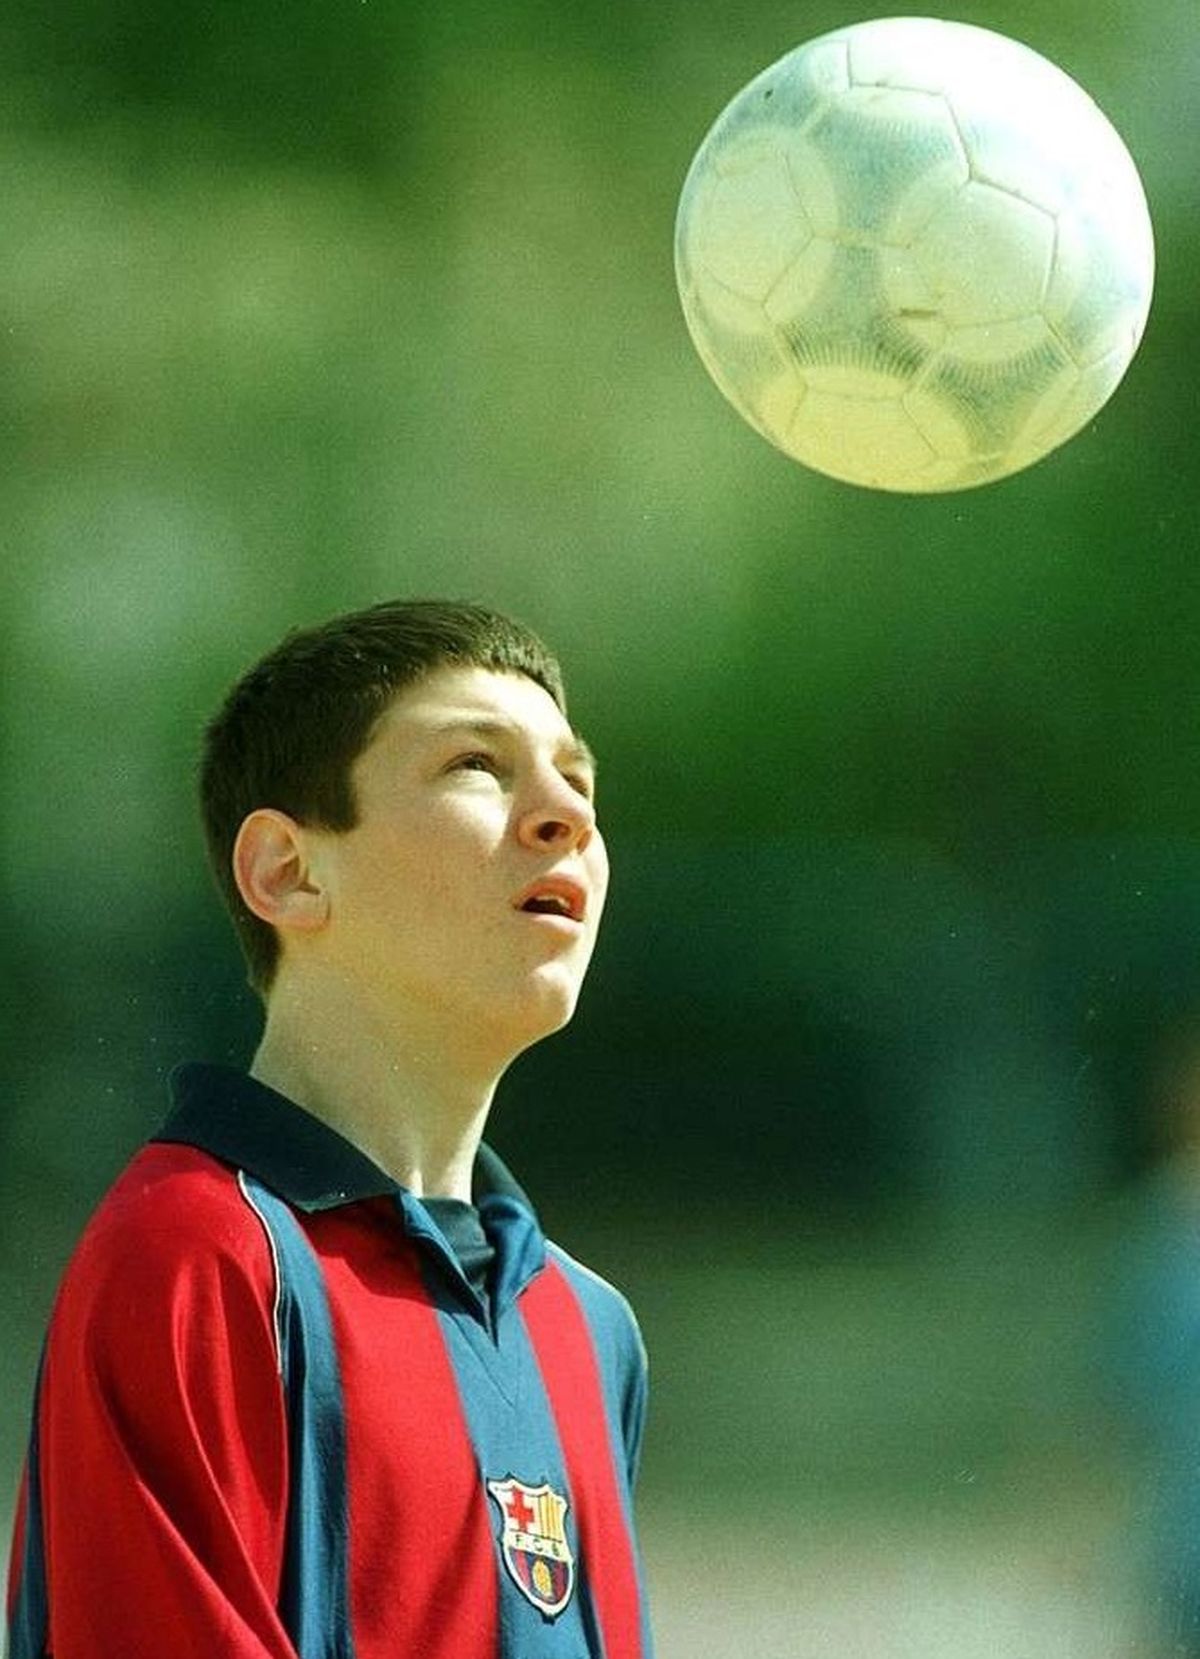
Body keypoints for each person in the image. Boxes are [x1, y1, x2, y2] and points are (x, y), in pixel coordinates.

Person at [5, 599, 653, 1659]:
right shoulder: (197, 1259)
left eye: (577, 780)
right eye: (477, 765)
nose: (566, 815)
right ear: (288, 872)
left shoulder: (588, 1324)